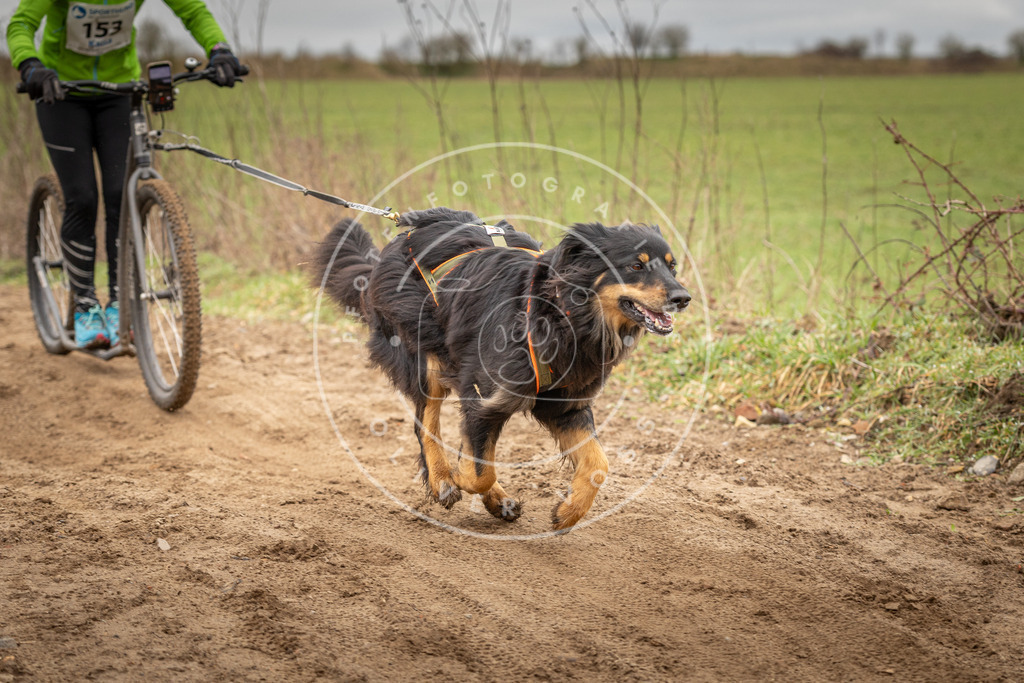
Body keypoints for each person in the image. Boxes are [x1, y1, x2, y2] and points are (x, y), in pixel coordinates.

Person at [8, 0, 242, 348]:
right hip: (61, 93)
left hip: (119, 91)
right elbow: (21, 24)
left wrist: (220, 50)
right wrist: (31, 66)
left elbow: (192, 10)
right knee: (83, 197)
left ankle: (121, 304)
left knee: (121, 194)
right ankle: (85, 305)